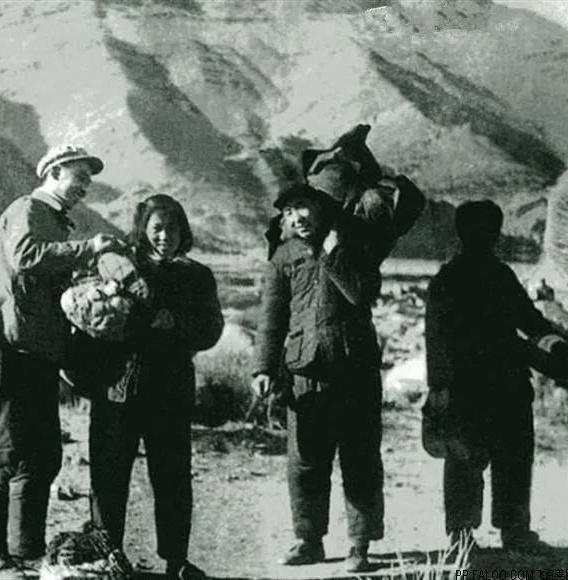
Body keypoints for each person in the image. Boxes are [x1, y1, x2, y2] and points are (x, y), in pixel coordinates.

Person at [0, 145, 121, 578]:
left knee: (42, 453)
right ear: (53, 171)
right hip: (0, 342)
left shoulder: (55, 221)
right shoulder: (27, 209)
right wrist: (89, 249)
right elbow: (25, 256)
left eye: (88, 180)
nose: (85, 186)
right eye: (79, 176)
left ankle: (26, 549)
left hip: (35, 349)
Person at [88, 194, 224, 580]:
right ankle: (106, 557)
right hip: (118, 387)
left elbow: (211, 329)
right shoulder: (120, 267)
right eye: (157, 228)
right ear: (142, 230)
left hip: (170, 391)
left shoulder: (197, 276)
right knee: (108, 476)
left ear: (184, 231)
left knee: (172, 476)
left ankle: (176, 561)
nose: (166, 236)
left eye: (173, 228)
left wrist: (176, 323)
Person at [251, 183, 385, 572]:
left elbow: (360, 295)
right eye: (288, 211)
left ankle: (360, 545)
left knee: (360, 459)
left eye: (302, 207)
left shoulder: (354, 246)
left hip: (355, 374)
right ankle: (309, 540)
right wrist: (263, 367)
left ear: (322, 208)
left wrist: (332, 254)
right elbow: (271, 317)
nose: (296, 217)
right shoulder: (283, 256)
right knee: (305, 462)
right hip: (304, 375)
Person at [425, 200, 568, 553]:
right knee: (468, 461)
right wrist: (441, 389)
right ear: (465, 234)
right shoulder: (451, 281)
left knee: (508, 459)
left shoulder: (496, 276)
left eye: (489, 230)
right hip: (471, 387)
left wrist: (557, 345)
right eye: (480, 230)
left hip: (502, 385)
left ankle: (507, 531)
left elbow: (531, 321)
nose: (486, 237)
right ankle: (467, 535)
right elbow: (438, 343)